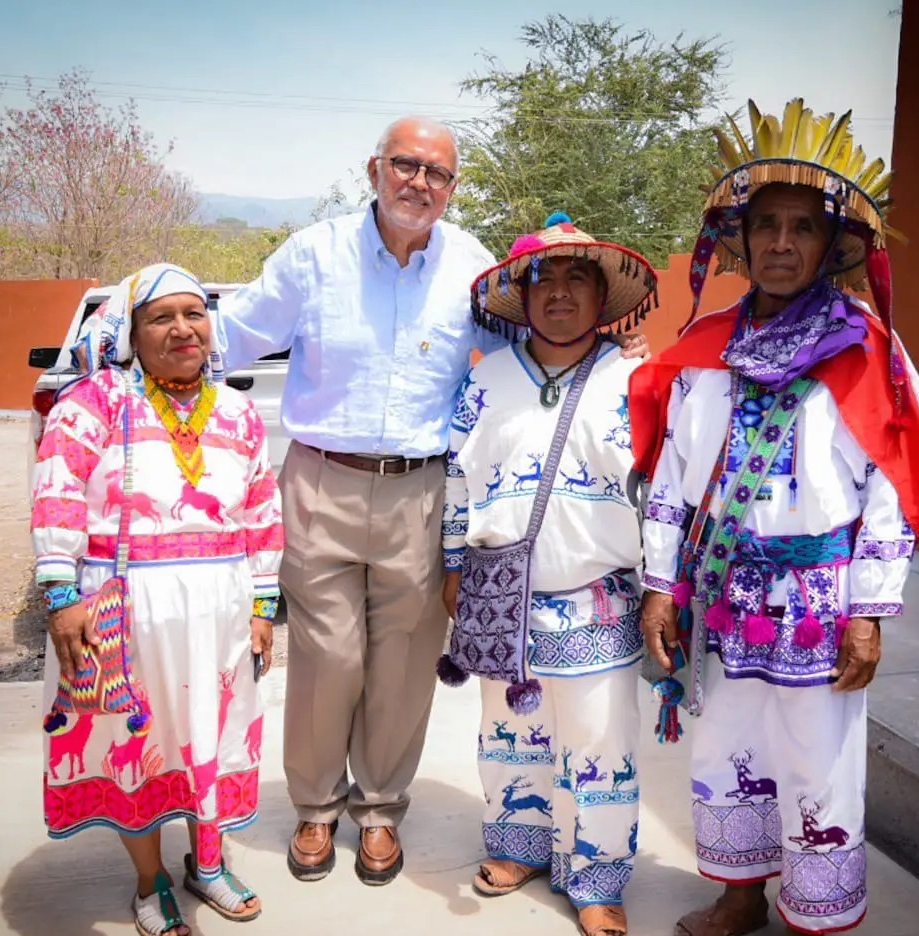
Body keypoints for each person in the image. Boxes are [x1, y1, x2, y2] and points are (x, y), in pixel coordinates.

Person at [217, 116, 646, 885]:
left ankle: (379, 810)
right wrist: (134, 336)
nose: (420, 183)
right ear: (374, 167)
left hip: (423, 487)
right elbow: (235, 333)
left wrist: (616, 360)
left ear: (453, 187)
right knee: (327, 658)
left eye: (438, 173)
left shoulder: (473, 268)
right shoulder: (314, 256)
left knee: (407, 660)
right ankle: (316, 809)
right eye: (406, 166)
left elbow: (531, 355)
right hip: (322, 479)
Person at [630, 100, 919, 936]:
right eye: (765, 226)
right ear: (740, 242)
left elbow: (891, 489)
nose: (781, 243)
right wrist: (662, 584)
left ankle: (807, 931)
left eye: (802, 227)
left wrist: (869, 608)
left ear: (833, 244)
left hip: (819, 598)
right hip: (722, 592)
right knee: (726, 747)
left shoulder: (869, 354)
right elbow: (674, 473)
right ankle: (741, 895)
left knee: (817, 764)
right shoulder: (707, 352)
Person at [32, 263, 282, 936]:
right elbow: (55, 493)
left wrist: (264, 601)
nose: (182, 329)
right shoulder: (94, 405)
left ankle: (207, 864)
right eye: (161, 317)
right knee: (136, 746)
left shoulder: (235, 410)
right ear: (130, 333)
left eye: (194, 313)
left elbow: (263, 507)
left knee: (210, 731)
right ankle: (150, 883)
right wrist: (60, 597)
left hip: (220, 612)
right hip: (127, 609)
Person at [440, 213, 656, 936]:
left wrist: (664, 584)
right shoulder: (488, 377)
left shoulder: (636, 378)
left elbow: (661, 490)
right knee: (510, 735)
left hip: (599, 596)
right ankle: (520, 847)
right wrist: (450, 565)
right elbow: (454, 479)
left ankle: (597, 876)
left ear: (604, 297)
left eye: (577, 279)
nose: (559, 293)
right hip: (503, 596)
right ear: (521, 294)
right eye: (544, 278)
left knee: (598, 741)